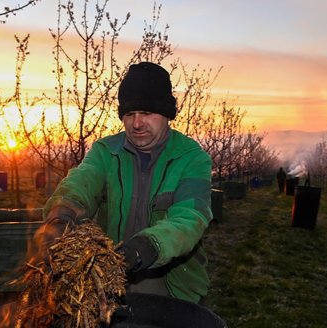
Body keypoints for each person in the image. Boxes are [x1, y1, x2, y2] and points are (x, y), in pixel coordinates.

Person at [35, 61, 213, 304]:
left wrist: (144, 247)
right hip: (108, 284)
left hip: (171, 286)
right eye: (129, 114)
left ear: (166, 114)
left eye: (147, 113)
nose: (137, 123)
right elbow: (81, 182)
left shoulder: (191, 158)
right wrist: (61, 215)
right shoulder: (106, 152)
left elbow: (190, 219)